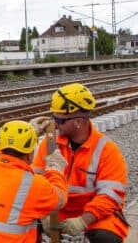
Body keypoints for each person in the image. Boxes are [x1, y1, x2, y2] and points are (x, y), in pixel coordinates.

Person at [32, 83, 130, 242]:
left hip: (93, 214)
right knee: (21, 224)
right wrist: (43, 214)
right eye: (53, 118)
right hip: (56, 211)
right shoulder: (50, 144)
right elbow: (32, 181)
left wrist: (83, 220)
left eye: (59, 120)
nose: (54, 124)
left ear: (78, 122)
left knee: (106, 237)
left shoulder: (107, 150)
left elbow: (110, 196)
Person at [0, 120, 68, 242]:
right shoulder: (32, 184)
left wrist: (21, 138)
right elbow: (60, 199)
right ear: (31, 153)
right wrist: (55, 168)